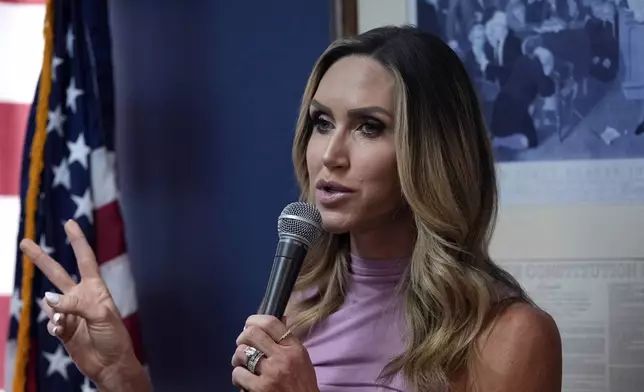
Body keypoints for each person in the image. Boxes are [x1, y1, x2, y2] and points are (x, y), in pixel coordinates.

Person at [20, 25, 562, 392]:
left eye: (369, 127)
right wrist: (125, 378)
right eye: (322, 123)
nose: (331, 154)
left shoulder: (510, 337)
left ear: (433, 152)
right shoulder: (300, 304)